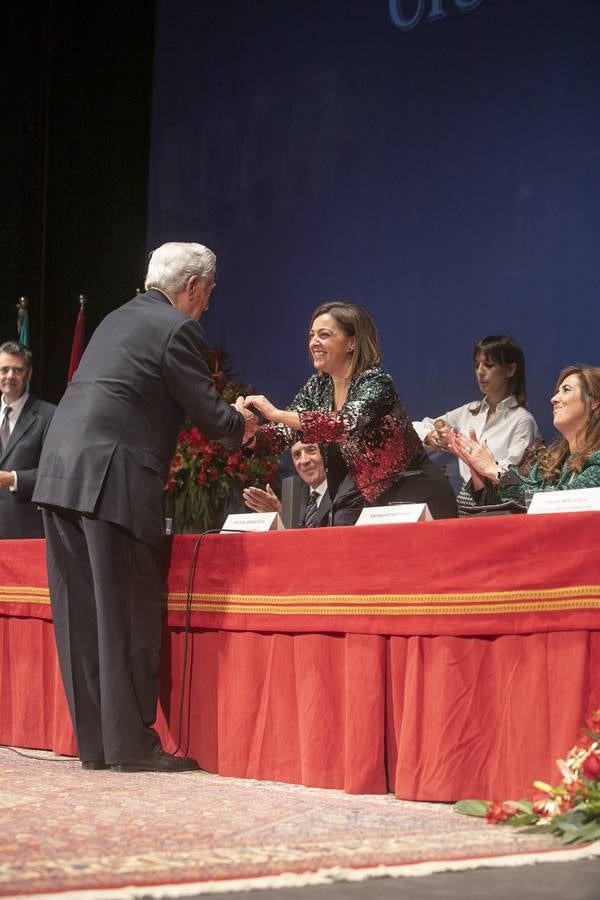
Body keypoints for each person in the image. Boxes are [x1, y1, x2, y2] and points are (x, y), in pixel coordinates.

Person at [32, 242, 257, 773]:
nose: (207, 305)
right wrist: (243, 423)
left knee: (81, 618)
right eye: (209, 293)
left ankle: (99, 746)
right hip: (113, 480)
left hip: (60, 472)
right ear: (194, 287)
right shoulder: (178, 328)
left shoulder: (115, 318)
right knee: (128, 613)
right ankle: (132, 746)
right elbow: (212, 417)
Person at [244, 302, 457, 520]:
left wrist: (277, 414)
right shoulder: (319, 385)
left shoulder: (376, 381)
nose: (314, 342)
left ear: (351, 343)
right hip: (371, 502)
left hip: (416, 493)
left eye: (324, 335)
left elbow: (344, 424)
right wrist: (249, 435)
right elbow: (283, 433)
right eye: (311, 335)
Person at [412, 335, 540, 512]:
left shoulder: (522, 420)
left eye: (489, 365)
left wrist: (480, 464)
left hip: (502, 508)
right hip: (465, 504)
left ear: (510, 369)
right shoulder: (469, 412)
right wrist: (431, 435)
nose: (480, 371)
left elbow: (510, 476)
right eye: (477, 365)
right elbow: (415, 427)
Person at [446, 365, 600, 506]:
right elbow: (514, 504)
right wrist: (480, 475)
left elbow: (563, 501)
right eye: (557, 392)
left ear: (593, 402)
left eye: (566, 390)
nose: (553, 399)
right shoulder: (552, 463)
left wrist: (495, 471)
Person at [0, 342, 55, 538]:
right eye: (4, 370)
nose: (10, 376)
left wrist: (13, 479)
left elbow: (55, 473)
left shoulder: (49, 415)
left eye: (17, 370)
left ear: (29, 373)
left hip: (25, 531)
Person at [243, 440, 362, 527]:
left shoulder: (348, 490)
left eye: (311, 450)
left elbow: (336, 542)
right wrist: (279, 515)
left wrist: (281, 516)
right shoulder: (294, 492)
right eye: (297, 455)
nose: (304, 461)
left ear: (326, 455)